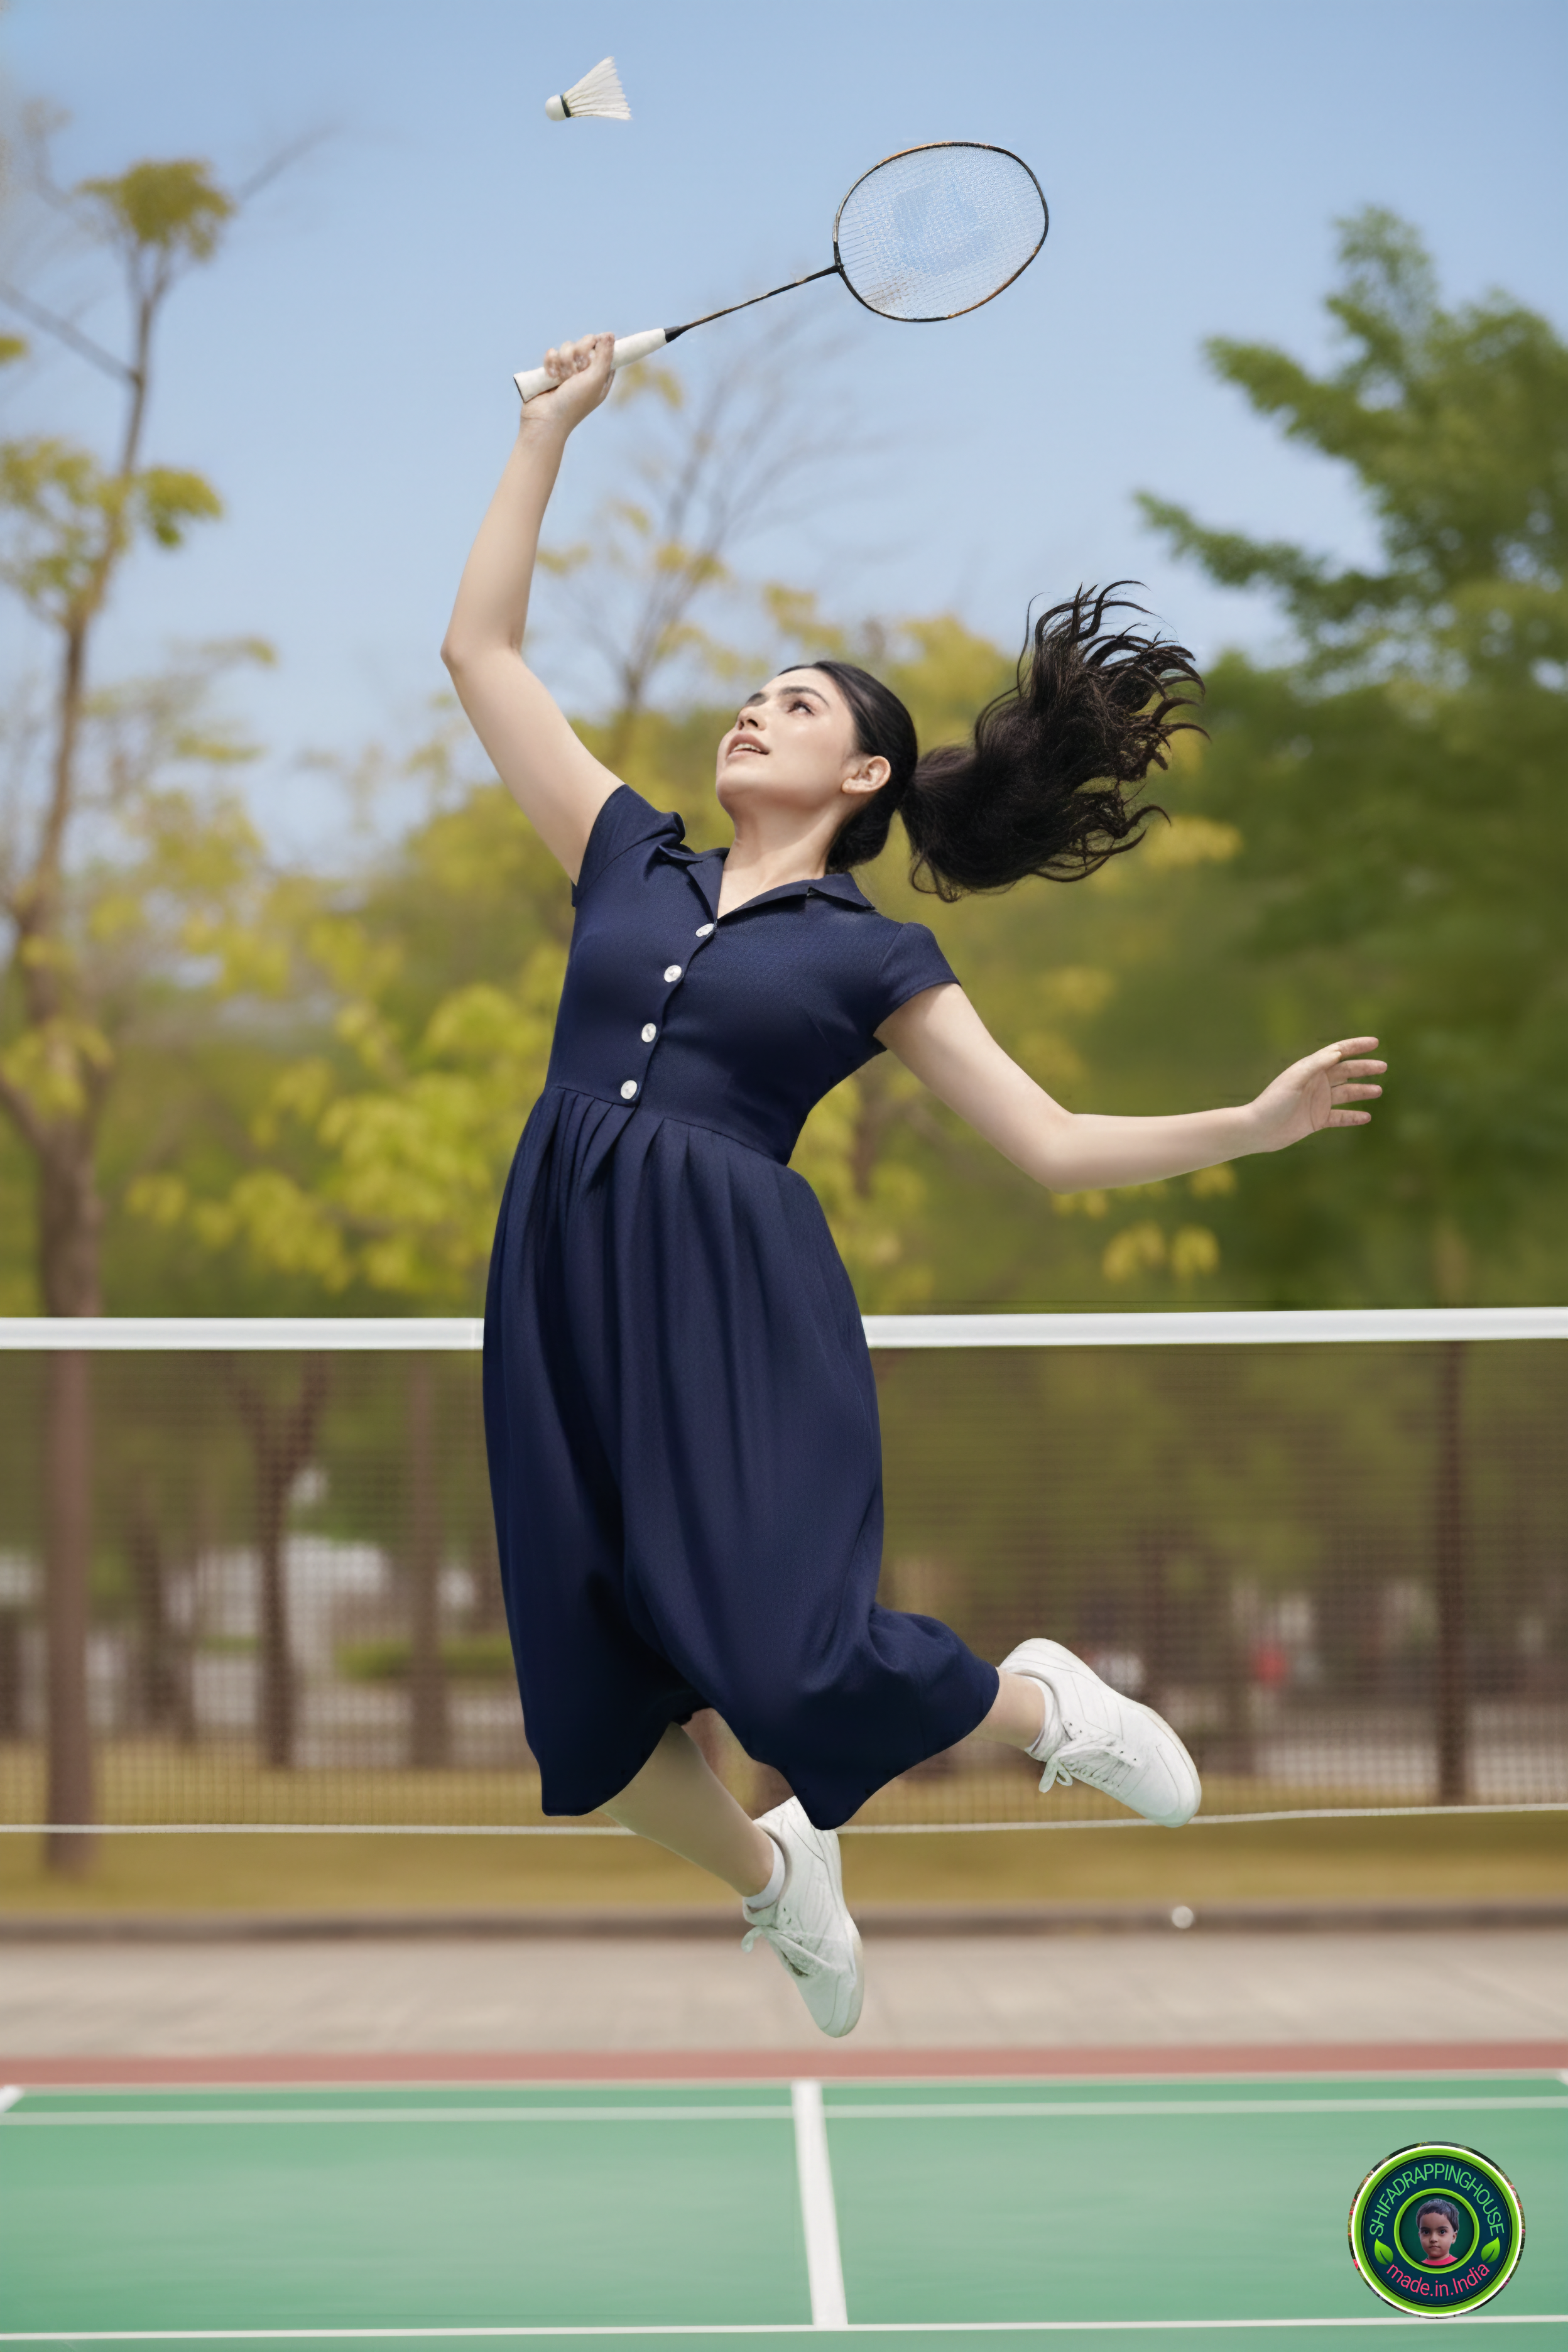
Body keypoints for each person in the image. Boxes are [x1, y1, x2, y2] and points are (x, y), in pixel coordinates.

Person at [442, 334, 1387, 2039]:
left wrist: (1251, 1125)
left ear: (864, 776)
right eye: (752, 694)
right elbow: (481, 649)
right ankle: (778, 1879)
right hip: (558, 1277)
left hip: (729, 1297)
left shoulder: (875, 954)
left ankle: (1039, 1708)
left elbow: (1050, 1142)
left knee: (784, 1659)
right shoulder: (626, 855)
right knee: (587, 1726)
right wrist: (544, 434)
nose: (754, 709)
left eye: (797, 702)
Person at [1416, 2202, 1462, 2267]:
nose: (1433, 2239)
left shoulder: (1462, 2267)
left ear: (1453, 2237)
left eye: (1442, 2232)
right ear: (1420, 2236)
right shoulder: (1415, 2269)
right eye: (1426, 2232)